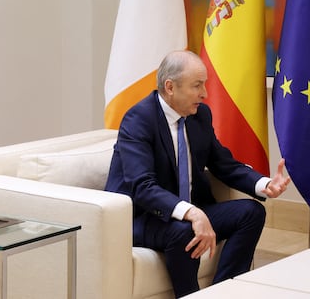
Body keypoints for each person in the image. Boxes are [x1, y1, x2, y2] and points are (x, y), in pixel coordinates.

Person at [105, 50, 290, 297]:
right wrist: (191, 212)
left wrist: (264, 184)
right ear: (170, 87)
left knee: (251, 212)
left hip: (188, 211)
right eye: (197, 85)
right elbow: (142, 187)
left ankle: (223, 292)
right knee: (185, 230)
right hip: (143, 216)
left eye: (204, 84)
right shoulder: (139, 119)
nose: (205, 94)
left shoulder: (199, 115)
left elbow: (223, 163)